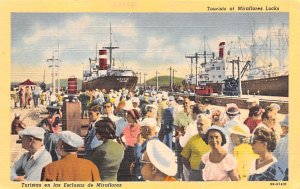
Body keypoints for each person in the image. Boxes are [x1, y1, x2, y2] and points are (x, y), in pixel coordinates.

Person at [181, 114, 211, 181]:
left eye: (201, 124)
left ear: (208, 125)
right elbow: (184, 158)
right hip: (196, 174)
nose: (198, 126)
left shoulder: (214, 139)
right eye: (197, 124)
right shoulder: (193, 139)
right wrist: (193, 170)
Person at [117, 109, 141, 181]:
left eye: (128, 116)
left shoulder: (139, 127)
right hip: (128, 150)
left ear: (133, 117)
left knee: (132, 171)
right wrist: (123, 145)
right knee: (123, 171)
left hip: (136, 152)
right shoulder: (128, 126)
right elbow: (119, 136)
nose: (126, 118)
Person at [273, 114, 289, 180]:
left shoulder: (282, 141)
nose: (281, 128)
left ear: (286, 128)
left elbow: (274, 157)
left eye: (282, 126)